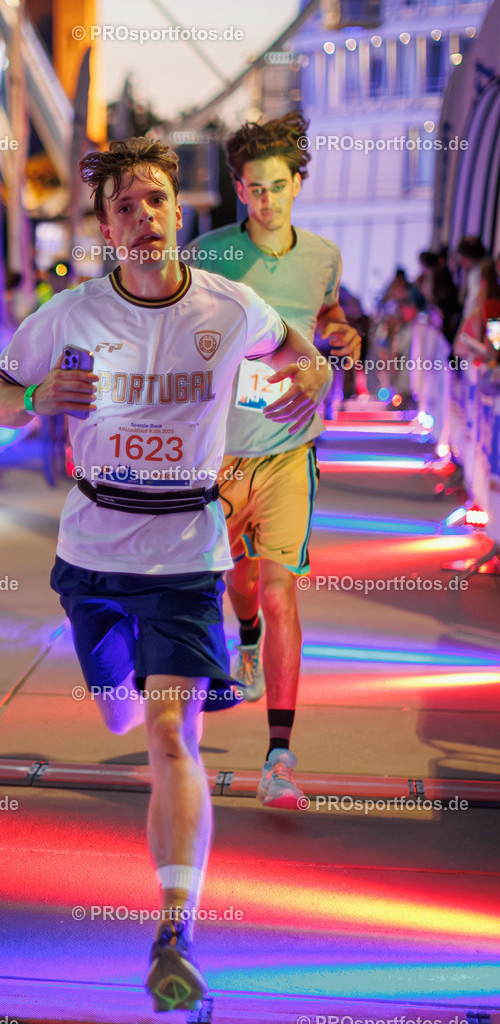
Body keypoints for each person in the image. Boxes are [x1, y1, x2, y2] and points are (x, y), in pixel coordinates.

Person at [0, 136, 331, 1012]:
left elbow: (298, 345)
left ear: (179, 214)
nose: (145, 218)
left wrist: (317, 366)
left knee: (169, 738)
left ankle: (174, 929)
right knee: (118, 714)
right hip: (93, 554)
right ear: (105, 229)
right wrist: (33, 403)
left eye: (157, 203)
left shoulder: (227, 304)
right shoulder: (67, 315)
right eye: (127, 207)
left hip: (187, 553)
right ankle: (130, 684)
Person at [192, 112, 360, 810]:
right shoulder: (207, 253)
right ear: (239, 189)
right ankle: (248, 643)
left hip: (290, 450)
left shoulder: (321, 255)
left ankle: (279, 757)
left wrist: (339, 333)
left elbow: (325, 313)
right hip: (222, 457)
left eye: (277, 187)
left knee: (279, 586)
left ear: (297, 185)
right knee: (238, 581)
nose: (266, 200)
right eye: (253, 190)